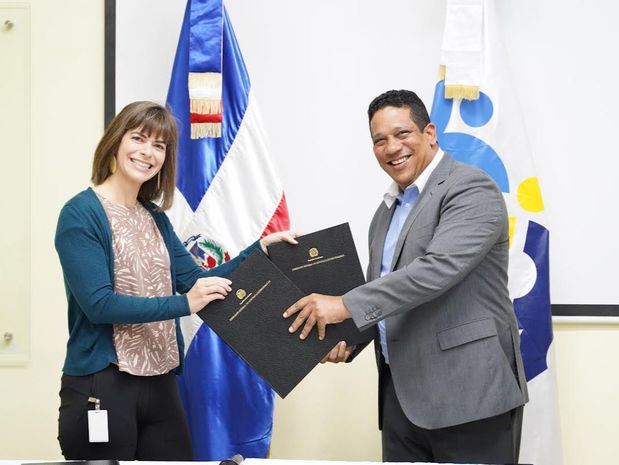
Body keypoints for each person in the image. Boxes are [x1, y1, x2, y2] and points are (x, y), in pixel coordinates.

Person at [284, 90, 528, 463]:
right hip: (401, 400)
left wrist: (342, 307)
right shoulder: (385, 213)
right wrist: (344, 340)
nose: (391, 148)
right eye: (379, 140)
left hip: (469, 396)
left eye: (402, 134)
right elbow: (383, 293)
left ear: (430, 133)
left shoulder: (470, 188)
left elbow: (435, 271)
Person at [55, 101, 296, 460]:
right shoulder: (80, 214)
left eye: (159, 145)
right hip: (102, 384)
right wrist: (186, 303)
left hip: (160, 382)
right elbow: (99, 305)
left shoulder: (154, 217)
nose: (148, 152)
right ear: (115, 142)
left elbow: (197, 281)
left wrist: (257, 251)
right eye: (138, 138)